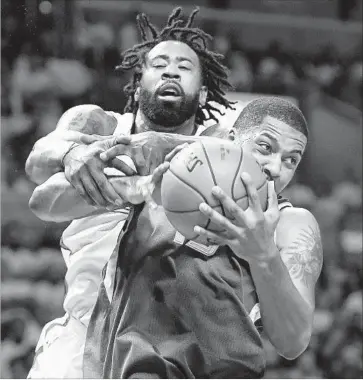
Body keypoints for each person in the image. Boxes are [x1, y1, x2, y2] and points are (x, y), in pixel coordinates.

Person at [25, 7, 235, 378]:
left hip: (166, 343)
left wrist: (146, 176)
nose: (171, 71)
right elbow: (38, 164)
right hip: (83, 329)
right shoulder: (99, 124)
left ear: (202, 94)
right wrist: (71, 153)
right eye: (160, 65)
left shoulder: (213, 147)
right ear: (138, 85)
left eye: (184, 67)